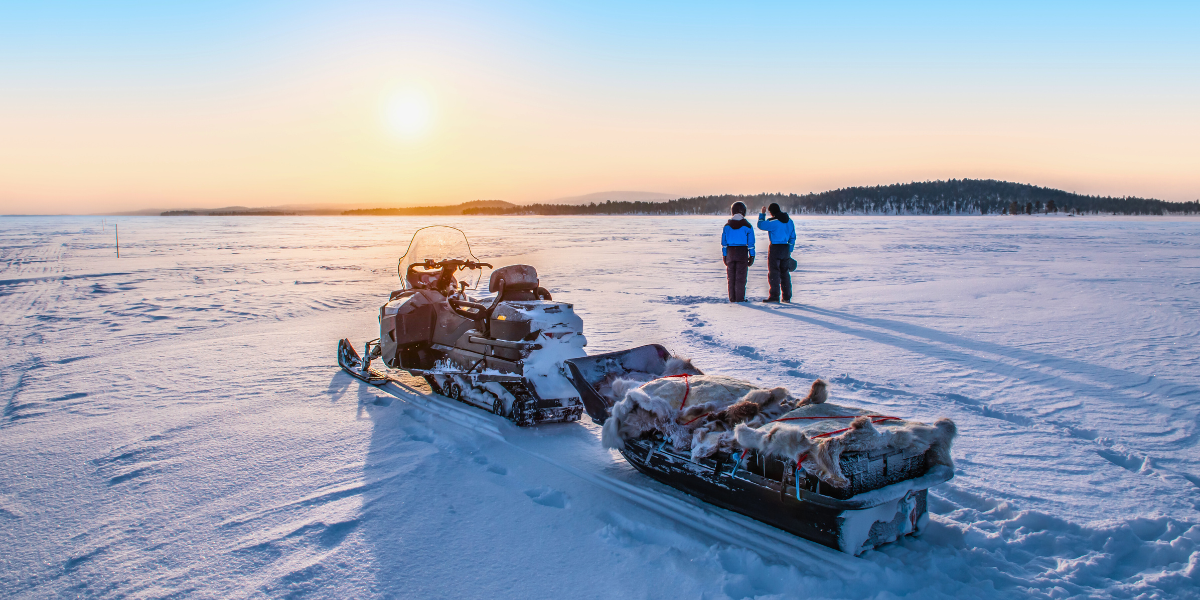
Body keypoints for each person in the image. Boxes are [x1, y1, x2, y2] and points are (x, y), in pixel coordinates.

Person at [757, 203, 796, 303]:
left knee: (774, 272)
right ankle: (787, 297)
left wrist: (762, 214)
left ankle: (774, 296)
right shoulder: (789, 221)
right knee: (785, 273)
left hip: (775, 248)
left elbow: (761, 225)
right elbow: (792, 236)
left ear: (771, 212)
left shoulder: (773, 221)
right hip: (786, 248)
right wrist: (790, 249)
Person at [721, 202, 755, 302]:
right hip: (742, 252)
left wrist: (725, 255)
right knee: (741, 277)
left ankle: (732, 298)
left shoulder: (727, 226)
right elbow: (751, 243)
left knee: (731, 277)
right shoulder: (748, 226)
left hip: (730, 252)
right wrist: (752, 255)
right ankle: (740, 298)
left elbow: (724, 243)